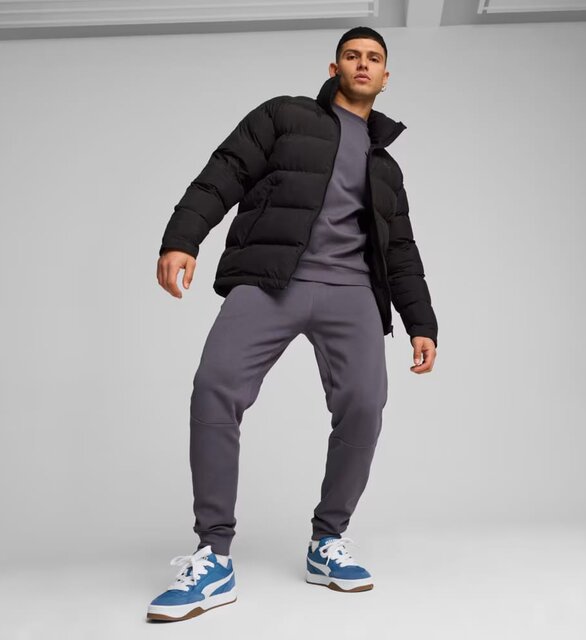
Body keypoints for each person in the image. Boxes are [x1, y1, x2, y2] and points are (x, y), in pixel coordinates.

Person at [148, 26, 438, 622]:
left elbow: (401, 249)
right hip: (271, 277)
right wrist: (182, 238)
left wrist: (421, 323)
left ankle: (328, 541)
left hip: (352, 292)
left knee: (365, 404)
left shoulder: (386, 166)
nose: (363, 64)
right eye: (352, 56)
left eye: (374, 58)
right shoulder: (285, 116)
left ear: (386, 77)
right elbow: (225, 170)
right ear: (334, 68)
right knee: (215, 387)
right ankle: (213, 555)